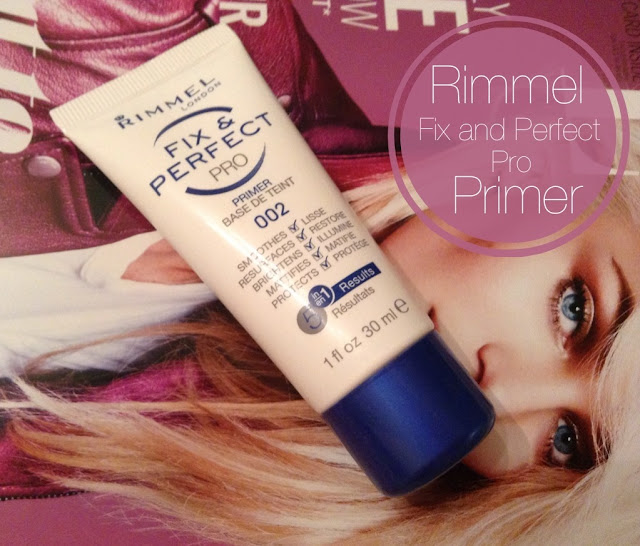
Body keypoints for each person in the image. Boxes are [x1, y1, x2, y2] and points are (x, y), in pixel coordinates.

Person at [3, 141, 639, 543]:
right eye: (575, 309)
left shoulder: (155, 449)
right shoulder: (247, 74)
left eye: (567, 442)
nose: (498, 392)